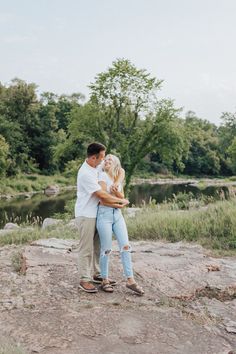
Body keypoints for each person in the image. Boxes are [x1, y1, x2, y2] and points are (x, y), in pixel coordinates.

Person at [75, 143, 129, 293]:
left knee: (98, 246)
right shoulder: (85, 173)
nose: (104, 160)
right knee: (86, 248)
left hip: (97, 214)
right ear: (94, 157)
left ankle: (98, 273)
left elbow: (121, 170)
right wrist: (120, 202)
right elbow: (102, 195)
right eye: (102, 157)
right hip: (86, 214)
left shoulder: (96, 166)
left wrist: (117, 183)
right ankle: (84, 279)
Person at [96, 154, 144, 296]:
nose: (106, 161)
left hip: (117, 215)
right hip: (104, 215)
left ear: (115, 164)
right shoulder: (102, 177)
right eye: (105, 160)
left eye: (110, 160)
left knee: (126, 246)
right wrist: (121, 202)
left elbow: (122, 197)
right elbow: (103, 200)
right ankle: (104, 280)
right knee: (106, 249)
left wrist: (119, 196)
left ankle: (130, 280)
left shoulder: (117, 179)